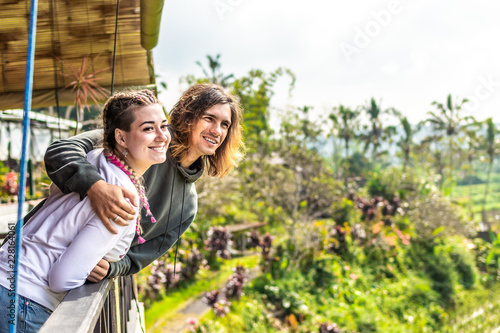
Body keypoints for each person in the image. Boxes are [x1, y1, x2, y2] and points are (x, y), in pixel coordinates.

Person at [34, 83, 244, 282]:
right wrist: (95, 187)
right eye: (209, 118)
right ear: (188, 115)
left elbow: (141, 256)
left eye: (225, 125)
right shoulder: (141, 140)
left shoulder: (187, 206)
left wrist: (112, 268)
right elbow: (60, 150)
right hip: (32, 255)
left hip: (66, 281)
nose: (217, 130)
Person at [0, 89, 170, 332]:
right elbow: (62, 278)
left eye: (164, 126)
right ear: (121, 138)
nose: (162, 136)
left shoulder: (94, 158)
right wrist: (88, 265)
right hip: (26, 300)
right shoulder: (121, 200)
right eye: (148, 129)